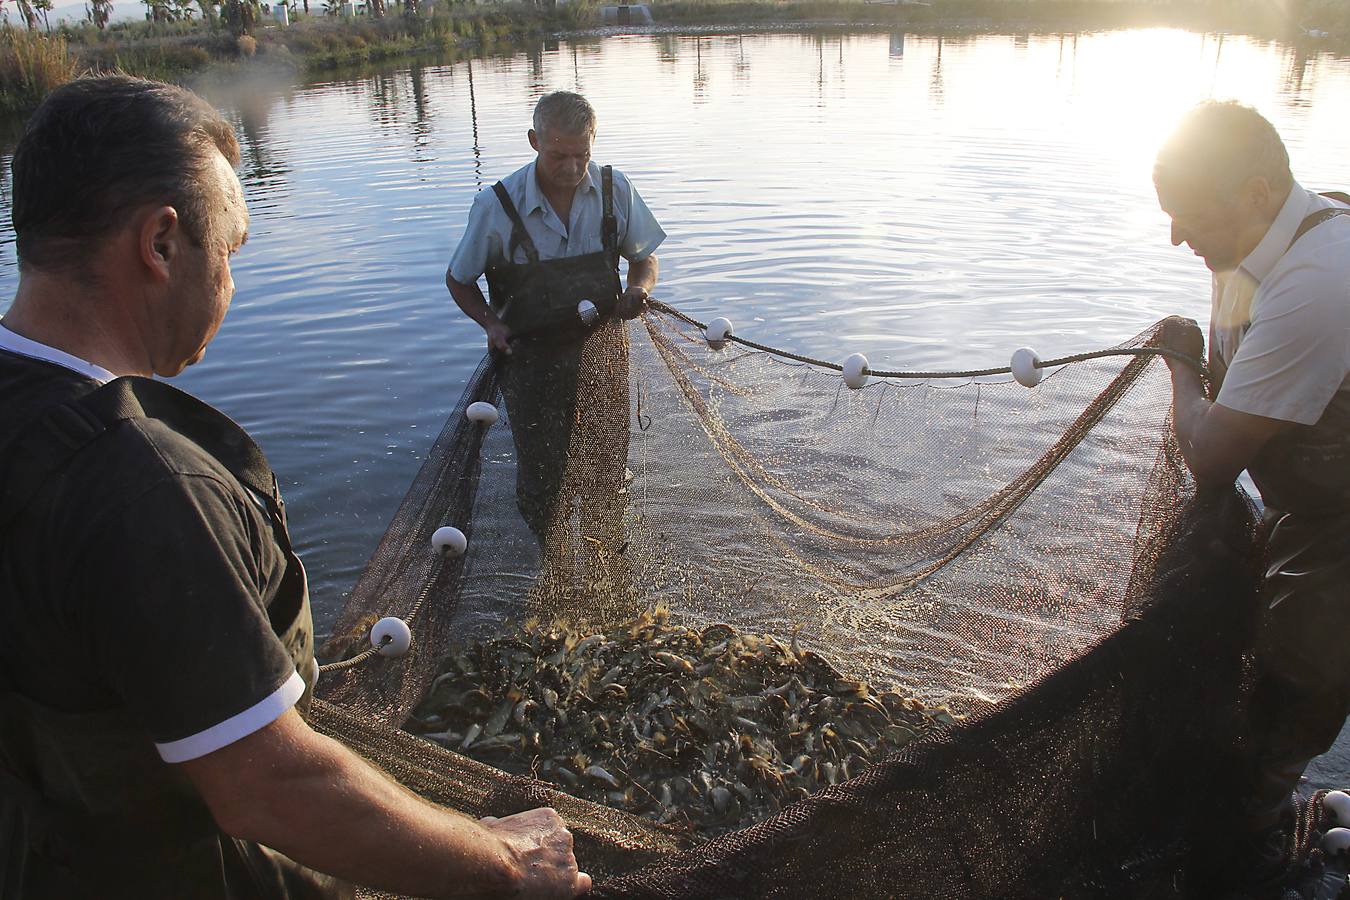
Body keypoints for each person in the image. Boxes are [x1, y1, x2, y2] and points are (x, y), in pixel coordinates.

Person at [0, 75, 590, 900]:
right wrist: (503, 863)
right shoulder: (144, 486)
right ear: (161, 244)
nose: (233, 287)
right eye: (231, 251)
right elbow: (269, 786)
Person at [1153, 100, 1350, 882]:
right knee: (1286, 654)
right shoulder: (1255, 245)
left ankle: (1258, 839)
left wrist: (1177, 365)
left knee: (1306, 668)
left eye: (1190, 216)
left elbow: (1209, 456)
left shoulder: (1317, 282)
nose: (1175, 237)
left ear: (1259, 192)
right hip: (1318, 499)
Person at [445, 91, 664, 602]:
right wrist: (488, 323)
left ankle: (609, 575)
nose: (571, 167)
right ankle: (557, 569)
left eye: (581, 155)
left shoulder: (615, 189)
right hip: (529, 362)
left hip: (602, 353)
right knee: (542, 478)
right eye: (558, 154)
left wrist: (640, 290)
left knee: (606, 469)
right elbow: (459, 280)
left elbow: (644, 259)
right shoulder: (496, 206)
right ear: (534, 141)